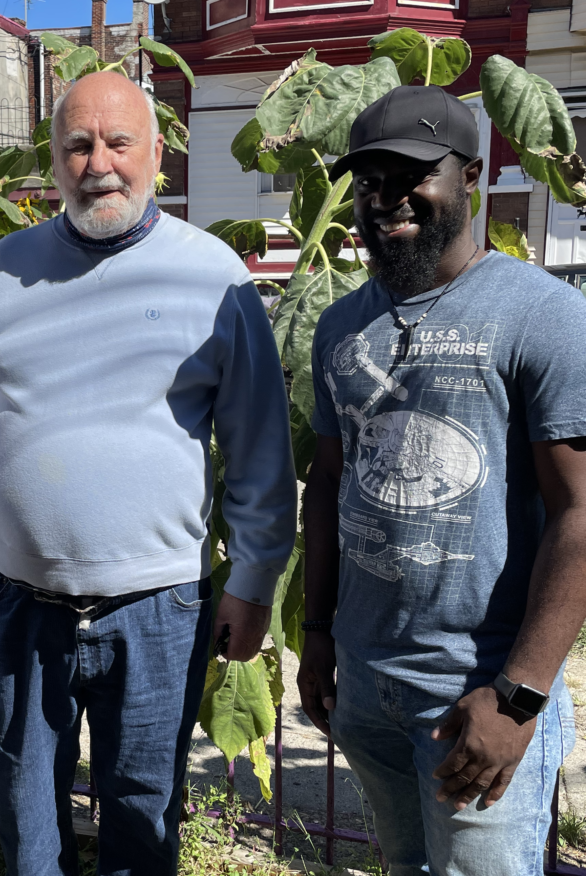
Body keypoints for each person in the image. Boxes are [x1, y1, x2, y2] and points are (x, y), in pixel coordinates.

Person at [0, 71, 298, 876]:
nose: (99, 164)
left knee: (143, 807)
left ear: (156, 154)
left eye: (119, 143)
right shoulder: (2, 271)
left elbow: (259, 447)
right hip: (20, 599)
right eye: (77, 145)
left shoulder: (213, 276)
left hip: (159, 606)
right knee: (26, 808)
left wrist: (255, 579)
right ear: (54, 161)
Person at [298, 85, 586, 875]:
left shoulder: (541, 315)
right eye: (367, 182)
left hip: (475, 691)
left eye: (411, 175)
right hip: (365, 680)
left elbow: (580, 514)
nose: (386, 198)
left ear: (472, 174)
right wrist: (317, 633)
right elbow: (328, 480)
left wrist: (519, 697)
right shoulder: (340, 323)